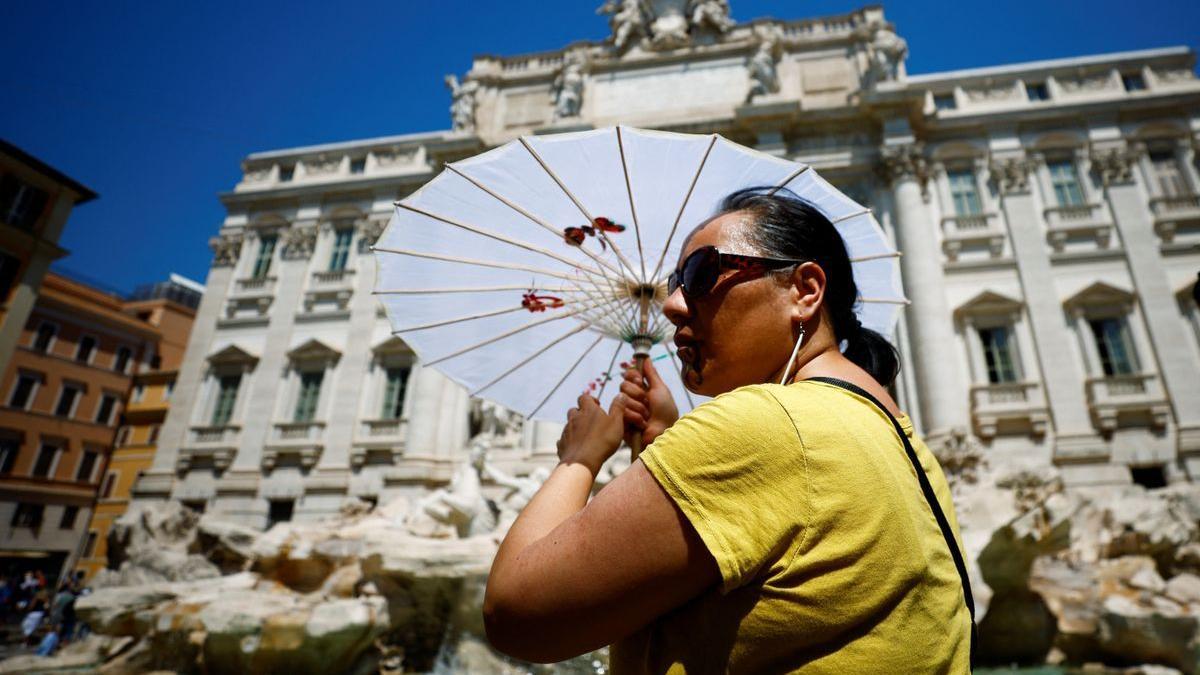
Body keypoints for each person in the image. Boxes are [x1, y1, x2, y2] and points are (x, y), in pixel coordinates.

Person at [483, 188, 973, 672]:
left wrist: (580, 459)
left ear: (803, 291)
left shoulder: (763, 427)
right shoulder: (899, 439)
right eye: (676, 281)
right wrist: (661, 444)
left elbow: (514, 616)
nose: (672, 304)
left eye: (701, 274)